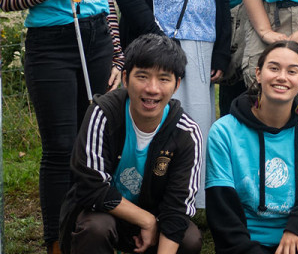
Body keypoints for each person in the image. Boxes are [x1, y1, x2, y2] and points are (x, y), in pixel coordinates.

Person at [0, 0, 123, 254]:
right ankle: (56, 239)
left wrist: (117, 55)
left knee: (94, 141)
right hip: (52, 43)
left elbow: (106, 1)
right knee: (60, 147)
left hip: (96, 41)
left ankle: (88, 229)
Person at [115, 0, 231, 208]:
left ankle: (188, 202)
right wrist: (156, 38)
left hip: (202, 49)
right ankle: (144, 197)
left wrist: (221, 53)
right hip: (159, 49)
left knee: (195, 124)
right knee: (155, 119)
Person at [206, 40, 298, 254]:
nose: (282, 77)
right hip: (248, 244)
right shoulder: (224, 132)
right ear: (258, 73)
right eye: (274, 68)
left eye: (292, 71)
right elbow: (222, 211)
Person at [59, 34, 203, 254]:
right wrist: (146, 220)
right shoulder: (103, 114)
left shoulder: (186, 132)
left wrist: (154, 223)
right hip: (104, 213)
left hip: (156, 214)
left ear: (176, 85)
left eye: (164, 79)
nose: (152, 89)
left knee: (188, 239)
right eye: (142, 76)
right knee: (96, 228)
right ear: (125, 78)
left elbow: (177, 207)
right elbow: (91, 187)